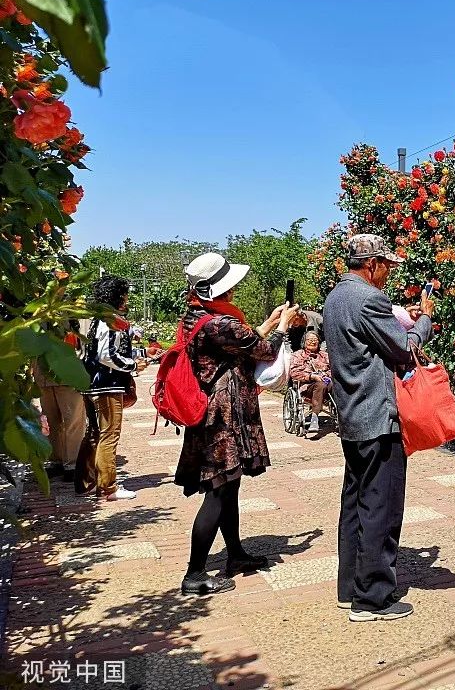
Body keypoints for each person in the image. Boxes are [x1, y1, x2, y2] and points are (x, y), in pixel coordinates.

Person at [174, 252, 300, 596]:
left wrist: (271, 322)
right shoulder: (220, 324)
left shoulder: (197, 318)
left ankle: (235, 555)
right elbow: (262, 351)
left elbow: (239, 346)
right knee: (218, 491)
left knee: (229, 487)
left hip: (213, 410)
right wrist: (284, 326)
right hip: (225, 415)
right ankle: (195, 575)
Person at [324, 234, 434, 622]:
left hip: (353, 416)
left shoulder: (336, 296)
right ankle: (373, 598)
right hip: (377, 417)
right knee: (380, 506)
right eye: (386, 265)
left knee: (355, 502)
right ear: (371, 264)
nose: (388, 273)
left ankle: (349, 587)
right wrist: (424, 320)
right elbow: (404, 348)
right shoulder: (370, 298)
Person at [79, 276, 146, 501]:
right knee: (109, 435)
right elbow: (106, 355)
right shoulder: (111, 321)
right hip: (106, 385)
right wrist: (133, 365)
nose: (127, 299)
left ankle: (86, 481)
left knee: (94, 433)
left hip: (91, 383)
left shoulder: (99, 319)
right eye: (125, 295)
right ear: (118, 296)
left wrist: (141, 355)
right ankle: (108, 487)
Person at [33, 322, 86, 483]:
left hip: (67, 376)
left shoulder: (72, 311)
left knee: (73, 421)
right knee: (52, 421)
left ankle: (72, 464)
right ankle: (57, 461)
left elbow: (83, 342)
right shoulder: (37, 309)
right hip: (44, 376)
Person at [289, 331, 331, 435]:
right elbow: (294, 373)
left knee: (339, 385)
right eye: (310, 340)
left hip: (327, 384)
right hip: (307, 387)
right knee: (320, 385)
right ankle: (314, 418)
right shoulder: (297, 355)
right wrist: (311, 376)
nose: (312, 342)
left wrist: (327, 376)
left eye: (315, 340)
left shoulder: (325, 355)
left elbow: (334, 369)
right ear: (304, 342)